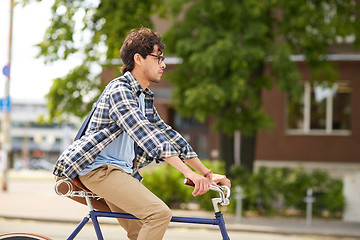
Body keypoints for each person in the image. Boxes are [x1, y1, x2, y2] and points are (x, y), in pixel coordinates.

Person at [53, 27, 231, 240]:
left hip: (120, 173)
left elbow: (168, 135)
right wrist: (187, 173)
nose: (163, 65)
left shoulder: (143, 96)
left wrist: (206, 173)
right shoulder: (119, 90)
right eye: (158, 58)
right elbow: (145, 134)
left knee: (141, 233)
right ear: (138, 58)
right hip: (100, 171)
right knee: (158, 215)